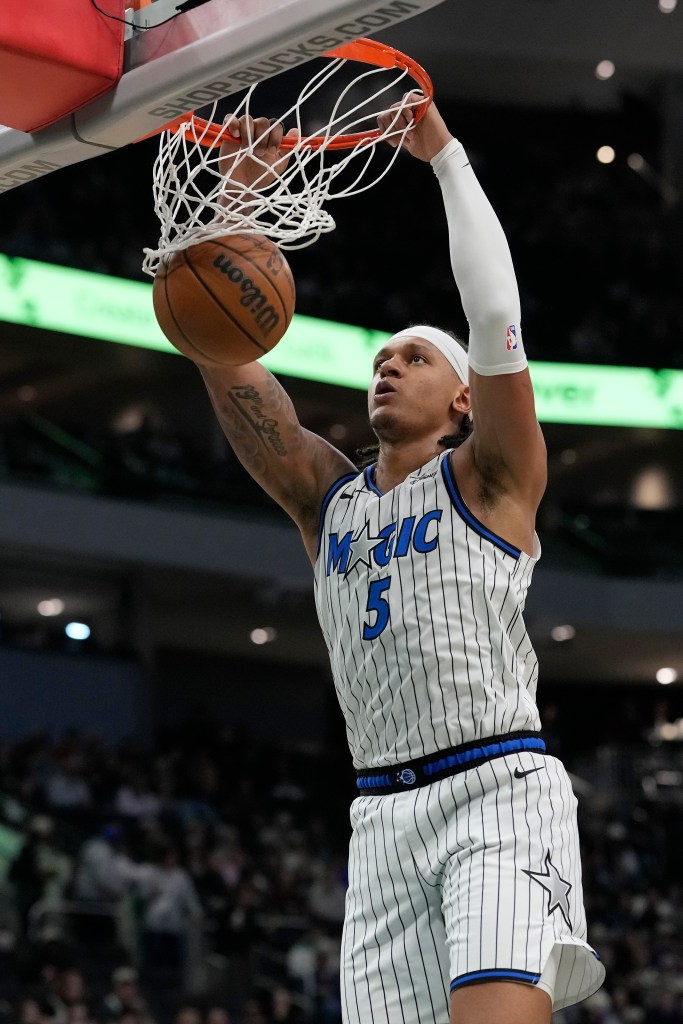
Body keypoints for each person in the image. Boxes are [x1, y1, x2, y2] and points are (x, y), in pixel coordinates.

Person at [193, 97, 606, 1024]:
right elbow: (223, 357)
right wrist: (231, 208)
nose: (386, 366)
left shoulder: (495, 475)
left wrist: (445, 159)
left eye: (412, 358)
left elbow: (495, 310)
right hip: (379, 817)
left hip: (496, 792)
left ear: (463, 399)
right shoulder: (325, 499)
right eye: (379, 358)